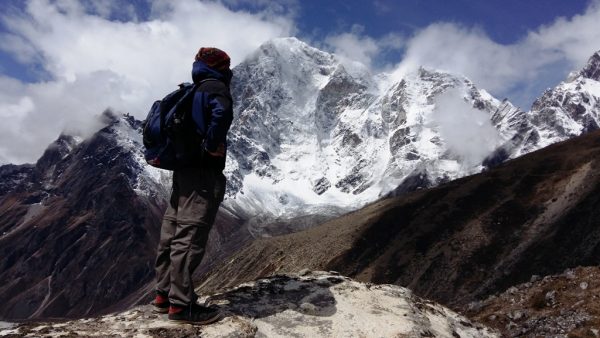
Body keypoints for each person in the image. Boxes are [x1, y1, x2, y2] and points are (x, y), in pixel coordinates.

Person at [152, 47, 234, 325]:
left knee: (172, 230)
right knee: (189, 238)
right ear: (221, 67)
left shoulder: (192, 89)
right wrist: (212, 144)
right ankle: (181, 305)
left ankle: (163, 295)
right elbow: (221, 114)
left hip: (183, 171)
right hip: (202, 173)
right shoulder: (215, 88)